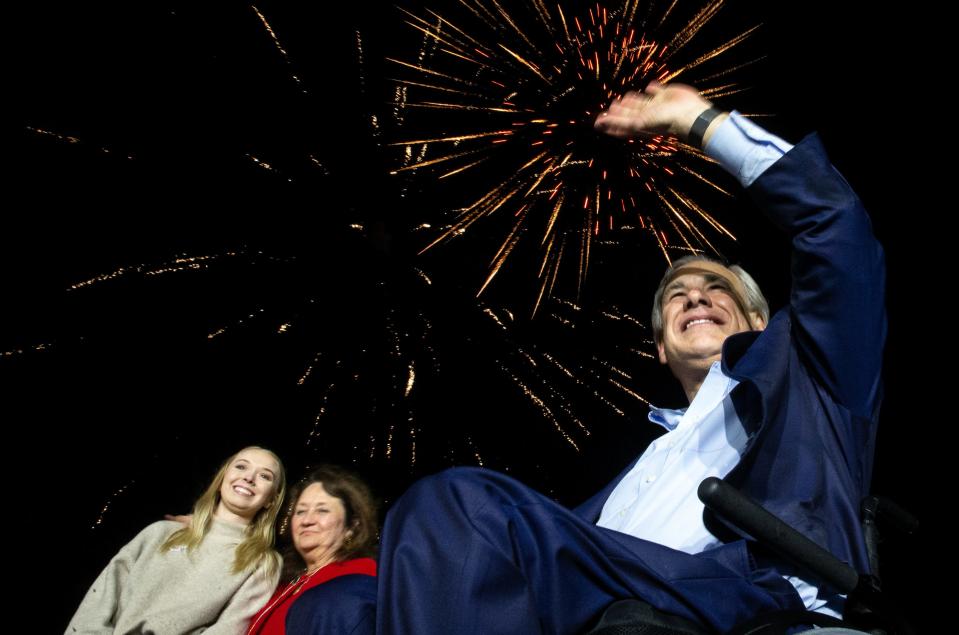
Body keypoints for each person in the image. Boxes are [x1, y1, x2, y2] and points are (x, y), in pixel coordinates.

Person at [373, 81, 885, 634]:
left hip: (748, 599)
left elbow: (834, 224)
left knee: (458, 505)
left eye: (716, 287)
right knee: (357, 593)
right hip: (612, 590)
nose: (694, 296)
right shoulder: (644, 461)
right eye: (676, 296)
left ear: (758, 320)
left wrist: (700, 121)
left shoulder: (809, 373)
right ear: (661, 348)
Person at [66, 446, 287, 634]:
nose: (248, 477)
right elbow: (100, 600)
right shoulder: (160, 533)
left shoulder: (262, 563)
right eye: (241, 466)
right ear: (222, 480)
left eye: (265, 476)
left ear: (271, 499)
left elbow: (228, 629)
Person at [247, 465, 378, 635]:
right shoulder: (283, 582)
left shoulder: (360, 580)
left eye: (322, 510)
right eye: (300, 511)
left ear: (352, 526)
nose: (307, 520)